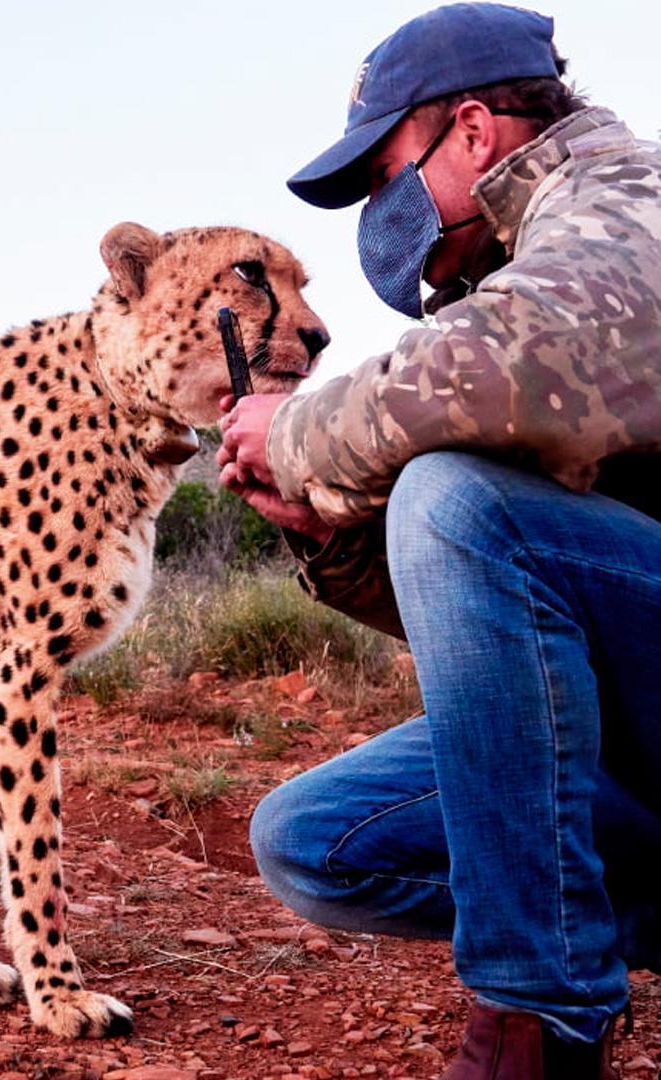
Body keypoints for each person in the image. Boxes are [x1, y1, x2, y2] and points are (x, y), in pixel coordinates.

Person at [217, 5, 661, 1077]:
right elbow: (476, 605)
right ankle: (590, 936)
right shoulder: (511, 276)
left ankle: (539, 1020)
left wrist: (301, 433)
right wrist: (319, 525)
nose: (381, 207)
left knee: (455, 494)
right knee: (316, 844)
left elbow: (504, 360)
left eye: (383, 172)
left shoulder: (625, 196)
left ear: (471, 129)